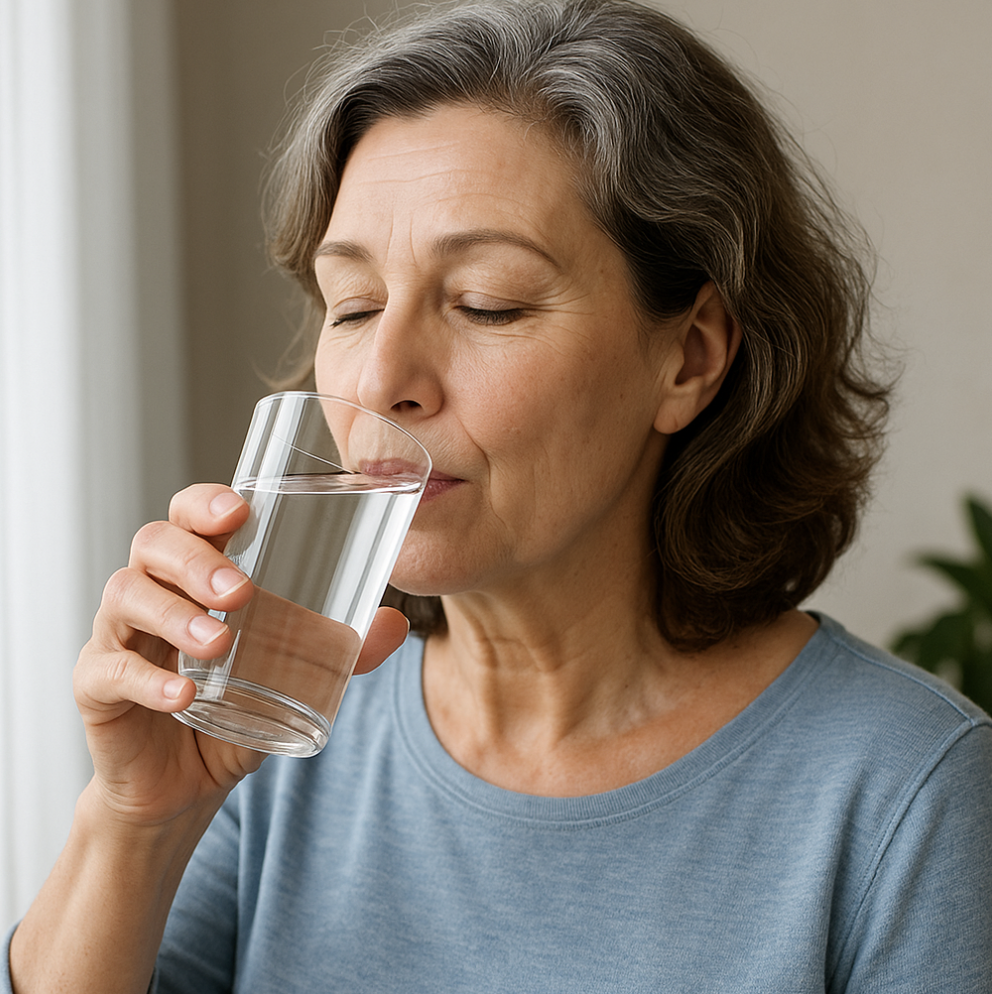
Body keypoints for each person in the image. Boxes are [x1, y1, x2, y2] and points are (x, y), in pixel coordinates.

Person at [6, 0, 991, 990]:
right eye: (351, 305)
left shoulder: (904, 793)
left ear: (688, 357)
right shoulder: (271, 744)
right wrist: (133, 822)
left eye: (485, 302)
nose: (382, 375)